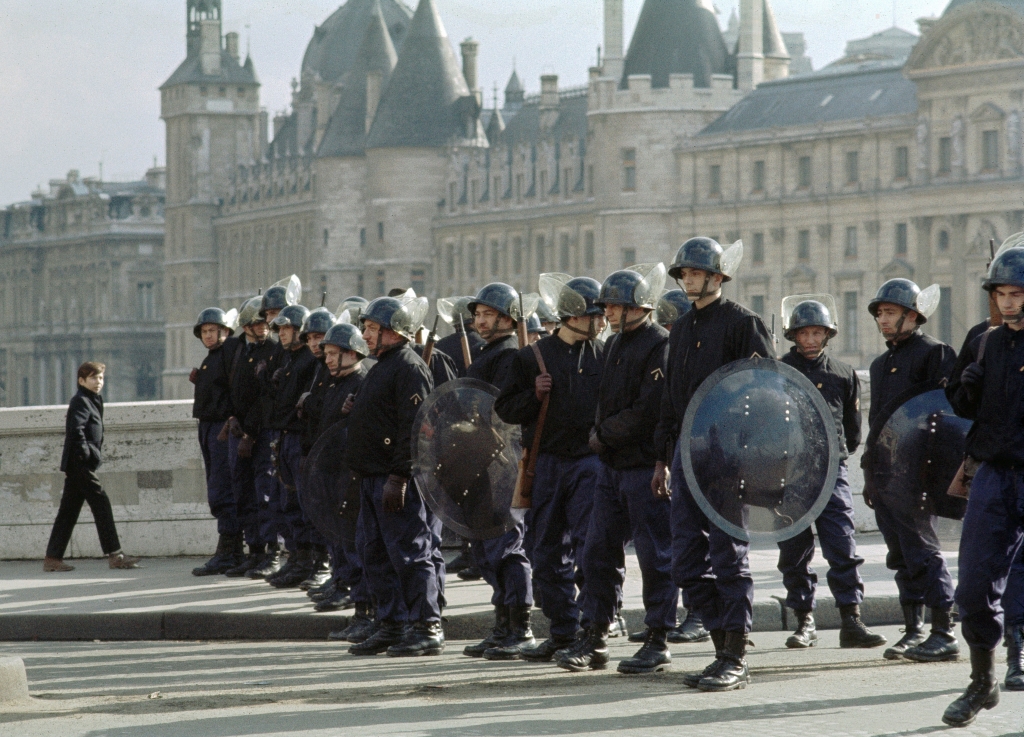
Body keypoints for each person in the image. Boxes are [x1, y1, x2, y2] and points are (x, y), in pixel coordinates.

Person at [653, 237, 775, 691]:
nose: (686, 279)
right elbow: (672, 400)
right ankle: (720, 643)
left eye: (694, 272)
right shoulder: (682, 328)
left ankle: (735, 654)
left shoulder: (745, 323)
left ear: (717, 276)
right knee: (685, 561)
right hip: (687, 456)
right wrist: (661, 459)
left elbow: (766, 395)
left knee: (729, 557)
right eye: (682, 273)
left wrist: (751, 457)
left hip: (729, 458)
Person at [556, 266, 675, 675]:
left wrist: (603, 434)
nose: (605, 312)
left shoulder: (659, 344)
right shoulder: (614, 345)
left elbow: (649, 409)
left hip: (644, 465)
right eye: (605, 305)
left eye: (613, 305)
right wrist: (600, 432)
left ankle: (658, 637)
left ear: (635, 307)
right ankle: (595, 635)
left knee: (656, 555)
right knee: (597, 554)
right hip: (611, 466)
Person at [495, 275, 604, 662]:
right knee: (545, 551)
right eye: (596, 314)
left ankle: (592, 631)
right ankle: (562, 631)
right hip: (547, 463)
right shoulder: (531, 357)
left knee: (590, 549)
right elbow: (505, 409)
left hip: (590, 465)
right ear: (574, 315)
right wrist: (533, 394)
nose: (602, 321)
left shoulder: (604, 354)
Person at [775, 297, 886, 649]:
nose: (810, 340)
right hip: (790, 474)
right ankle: (804, 621)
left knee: (842, 545)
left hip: (831, 471)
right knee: (794, 550)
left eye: (817, 332)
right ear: (793, 335)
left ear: (827, 334)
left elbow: (852, 431)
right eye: (804, 333)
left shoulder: (841, 373)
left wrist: (836, 457)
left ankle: (851, 620)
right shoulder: (778, 372)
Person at [944, 247, 1024, 726]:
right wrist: (966, 388)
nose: (1009, 304)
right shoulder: (988, 344)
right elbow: (967, 411)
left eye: (1018, 294)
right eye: (1002, 295)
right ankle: (981, 681)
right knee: (974, 587)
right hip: (994, 475)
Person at [861, 278, 958, 663]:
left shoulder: (935, 354)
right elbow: (877, 426)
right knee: (899, 553)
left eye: (889, 313)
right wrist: (871, 474)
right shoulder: (880, 364)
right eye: (880, 314)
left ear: (912, 315)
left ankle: (943, 630)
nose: (882, 320)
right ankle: (914, 629)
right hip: (887, 474)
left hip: (919, 472)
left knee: (923, 549)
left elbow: (946, 417)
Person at [345, 295, 445, 657]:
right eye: (366, 328)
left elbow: (415, 429)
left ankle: (425, 625)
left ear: (394, 332)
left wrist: (400, 477)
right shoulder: (383, 365)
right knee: (374, 553)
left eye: (372, 329)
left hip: (394, 479)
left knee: (410, 553)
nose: (366, 336)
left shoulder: (409, 367)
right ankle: (392, 623)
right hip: (372, 477)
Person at [461, 283, 537, 660]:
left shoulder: (508, 355)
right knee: (488, 547)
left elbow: (501, 413)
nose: (480, 321)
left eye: (488, 314)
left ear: (508, 318)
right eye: (477, 315)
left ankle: (519, 627)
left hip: (501, 462)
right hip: (481, 460)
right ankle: (502, 624)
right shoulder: (488, 352)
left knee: (507, 546)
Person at [302, 323, 373, 628]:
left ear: (352, 353)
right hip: (331, 474)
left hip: (350, 477)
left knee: (354, 545)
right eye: (326, 353)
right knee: (339, 540)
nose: (327, 358)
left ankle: (363, 610)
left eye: (333, 353)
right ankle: (344, 586)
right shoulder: (335, 383)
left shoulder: (360, 382)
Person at [43, 362, 141, 571]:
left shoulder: (91, 400)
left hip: (79, 463)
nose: (98, 382)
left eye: (101, 378)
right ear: (81, 381)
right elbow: (75, 430)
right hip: (80, 464)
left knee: (68, 511)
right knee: (101, 504)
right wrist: (86, 455)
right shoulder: (81, 401)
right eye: (93, 378)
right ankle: (115, 555)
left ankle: (52, 558)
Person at [263, 304, 321, 589]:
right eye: (280, 329)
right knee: (287, 503)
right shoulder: (287, 359)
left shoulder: (310, 362)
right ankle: (297, 558)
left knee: (304, 502)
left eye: (287, 328)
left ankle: (313, 561)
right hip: (285, 436)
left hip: (299, 437)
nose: (282, 333)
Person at [223, 296, 279, 577]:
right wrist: (233, 417)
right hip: (242, 430)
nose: (263, 326)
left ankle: (271, 552)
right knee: (243, 492)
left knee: (264, 494)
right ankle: (254, 550)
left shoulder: (272, 351)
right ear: (246, 326)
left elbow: (265, 398)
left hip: (259, 433)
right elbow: (236, 391)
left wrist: (251, 433)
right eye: (257, 323)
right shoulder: (243, 352)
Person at [190, 307, 245, 576]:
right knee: (217, 486)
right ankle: (231, 551)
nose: (208, 336)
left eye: (213, 331)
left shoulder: (230, 351)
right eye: (205, 332)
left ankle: (229, 551)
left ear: (225, 331)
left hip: (221, 428)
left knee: (223, 488)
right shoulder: (210, 358)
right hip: (208, 426)